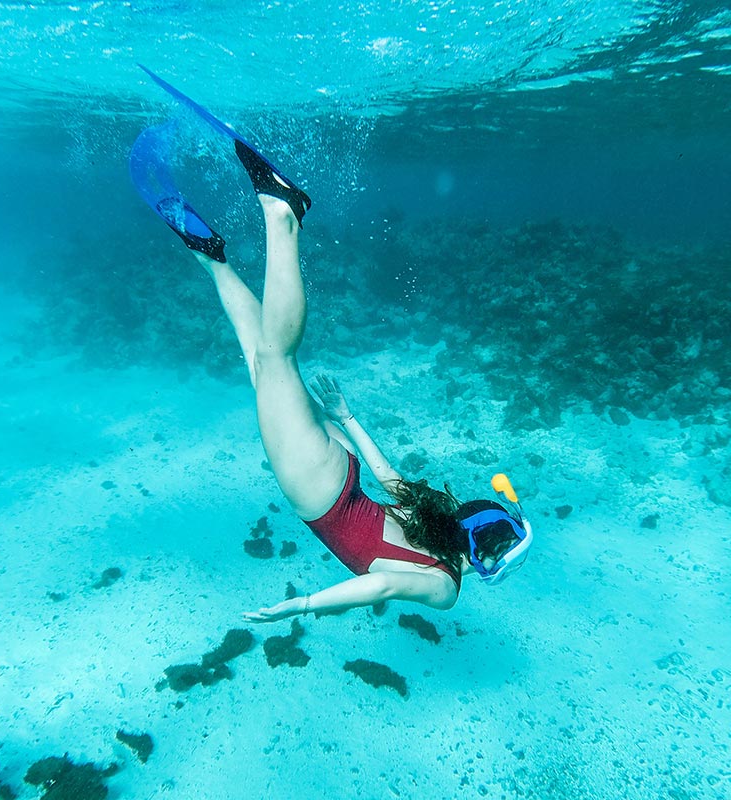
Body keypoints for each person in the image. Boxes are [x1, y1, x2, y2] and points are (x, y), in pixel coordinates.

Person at [129, 79, 531, 623]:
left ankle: (211, 255)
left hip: (338, 469)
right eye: (504, 557)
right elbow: (381, 585)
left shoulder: (436, 522)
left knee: (261, 364)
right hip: (321, 490)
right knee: (275, 358)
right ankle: (283, 213)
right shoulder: (445, 587)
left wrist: (346, 417)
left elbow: (389, 478)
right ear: (482, 549)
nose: (500, 567)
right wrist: (302, 605)